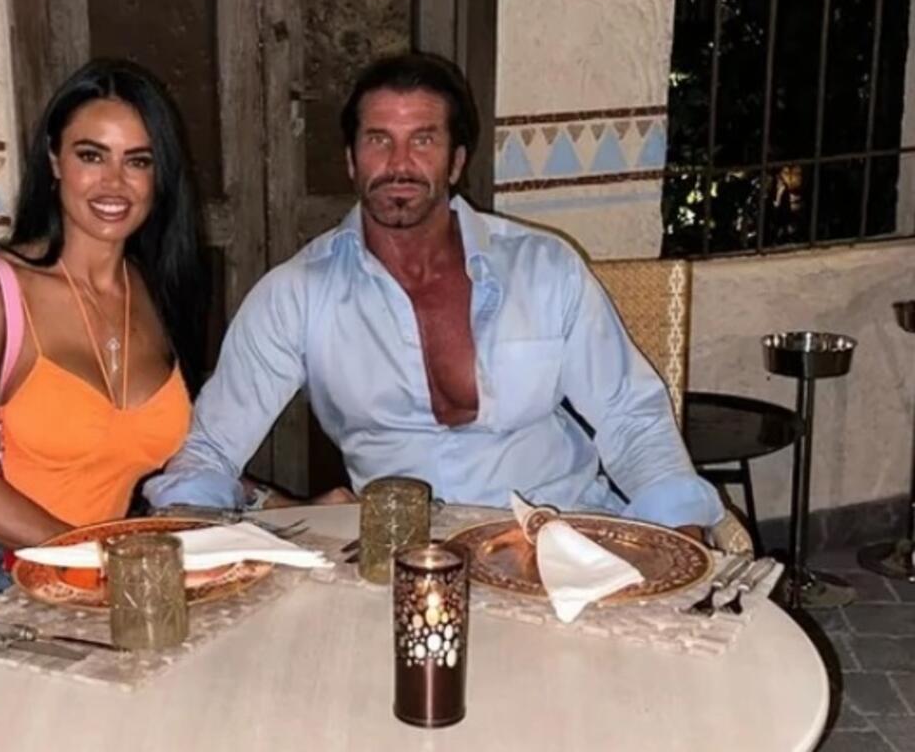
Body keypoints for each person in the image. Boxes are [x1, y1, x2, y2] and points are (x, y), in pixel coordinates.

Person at [144, 52, 724, 534]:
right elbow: (211, 449)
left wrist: (681, 533)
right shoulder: (297, 294)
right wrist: (192, 533)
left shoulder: (544, 268)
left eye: (423, 140)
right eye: (379, 140)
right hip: (400, 559)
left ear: (456, 161)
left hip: (561, 539)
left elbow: (631, 416)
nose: (399, 164)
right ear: (350, 161)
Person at [0, 58, 206, 605]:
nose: (114, 182)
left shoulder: (157, 291)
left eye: (138, 161)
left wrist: (261, 506)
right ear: (55, 160)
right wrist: (102, 563)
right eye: (91, 155)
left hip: (98, 587)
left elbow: (174, 459)